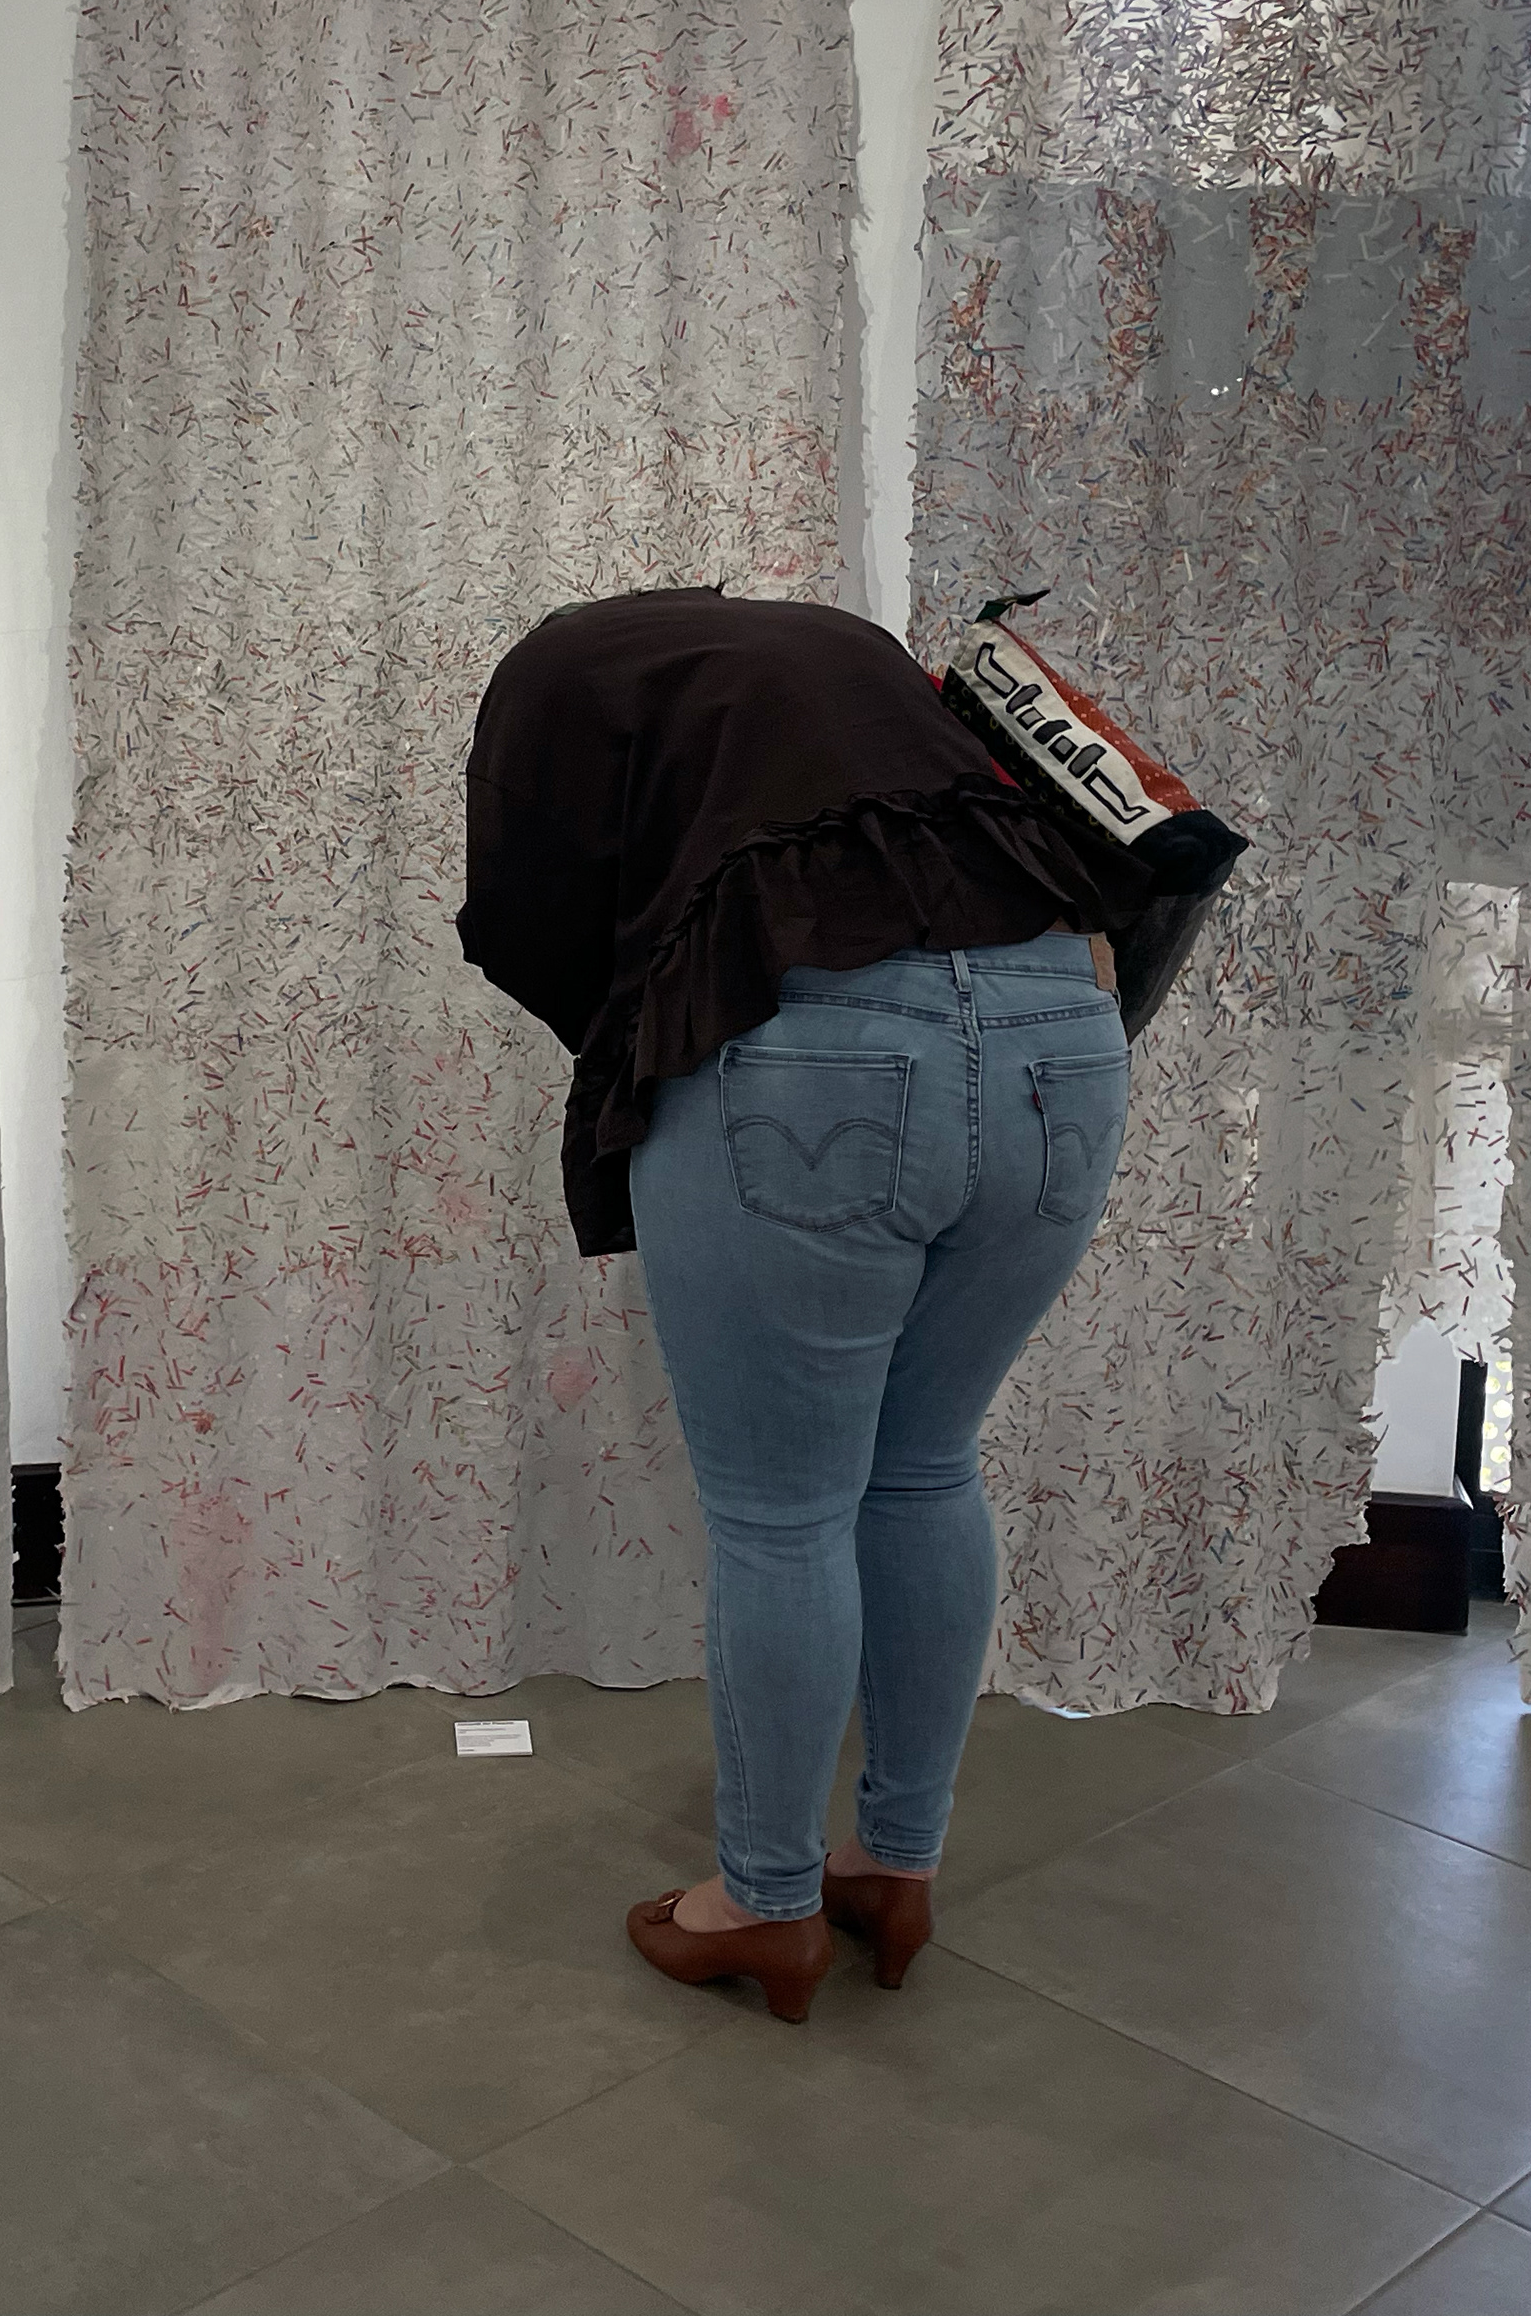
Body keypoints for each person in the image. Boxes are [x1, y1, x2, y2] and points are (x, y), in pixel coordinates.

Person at [455, 586, 1154, 2024]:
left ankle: (764, 1905)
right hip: (1065, 1035)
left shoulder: (564, 667)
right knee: (928, 1465)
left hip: (809, 1033)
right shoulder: (861, 658)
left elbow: (528, 911)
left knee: (783, 1516)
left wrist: (647, 1020)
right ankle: (895, 1866)